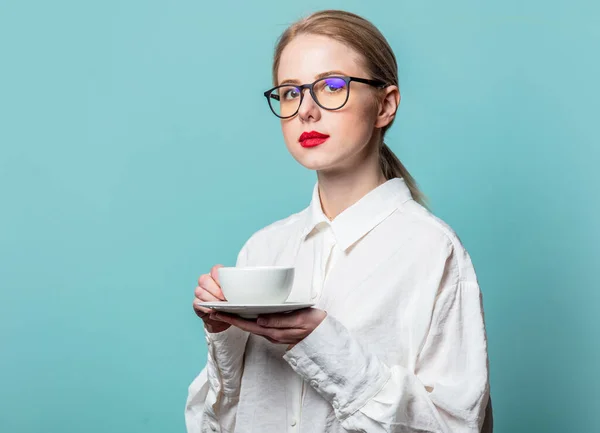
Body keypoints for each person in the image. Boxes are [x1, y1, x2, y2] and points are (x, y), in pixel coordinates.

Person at [185, 9, 492, 433]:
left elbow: (458, 426)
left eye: (332, 86)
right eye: (290, 92)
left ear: (385, 105)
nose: (306, 111)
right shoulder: (263, 249)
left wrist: (324, 344)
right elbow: (219, 424)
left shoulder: (432, 251)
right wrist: (224, 333)